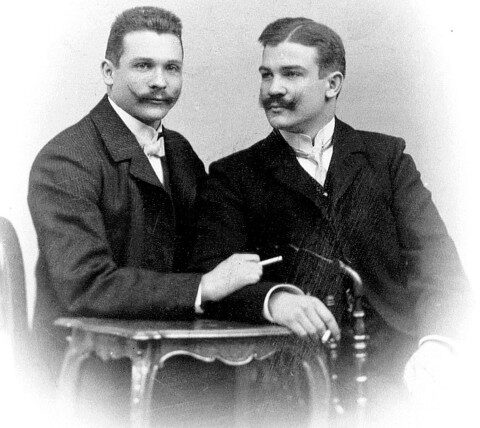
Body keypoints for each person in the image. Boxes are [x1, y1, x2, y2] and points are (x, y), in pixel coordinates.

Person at [191, 17, 471, 417]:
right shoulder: (233, 176)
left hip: (400, 375)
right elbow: (207, 274)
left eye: (291, 74)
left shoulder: (386, 160)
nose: (273, 88)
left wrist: (438, 344)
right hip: (289, 383)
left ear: (333, 83)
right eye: (267, 75)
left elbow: (439, 266)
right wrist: (274, 300)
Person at [28, 5, 262, 405]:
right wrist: (204, 287)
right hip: (91, 375)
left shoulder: (180, 152)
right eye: (143, 66)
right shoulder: (66, 159)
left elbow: (208, 250)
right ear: (108, 72)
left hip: (173, 362)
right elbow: (86, 286)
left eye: (172, 68)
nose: (160, 82)